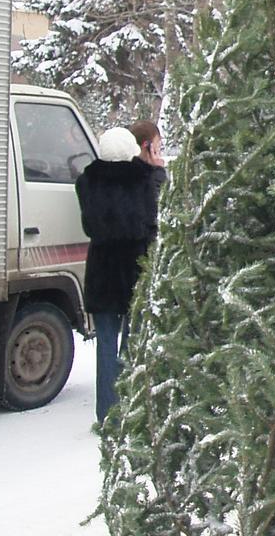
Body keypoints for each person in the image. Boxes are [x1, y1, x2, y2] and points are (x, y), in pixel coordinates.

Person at [75, 126, 161, 423]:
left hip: (101, 272)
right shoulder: (144, 180)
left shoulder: (86, 182)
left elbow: (89, 227)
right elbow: (151, 222)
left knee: (105, 347)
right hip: (134, 270)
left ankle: (107, 414)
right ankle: (130, 409)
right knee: (132, 344)